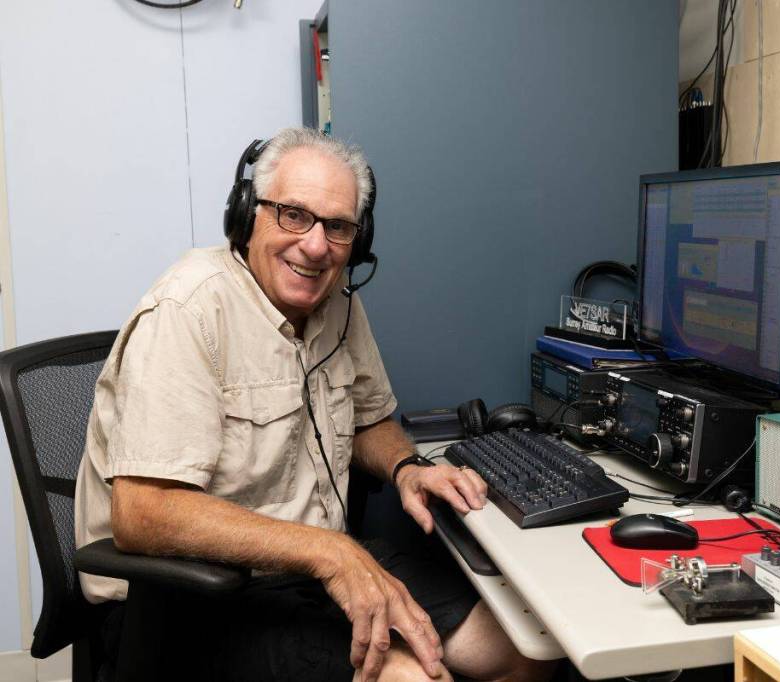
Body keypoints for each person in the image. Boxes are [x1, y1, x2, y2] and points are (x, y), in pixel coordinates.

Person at [74, 127, 554, 682]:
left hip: (312, 569)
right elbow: (143, 513)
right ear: (248, 213)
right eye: (293, 214)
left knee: (524, 652)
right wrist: (329, 553)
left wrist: (406, 468)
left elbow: (368, 417)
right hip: (184, 602)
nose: (316, 245)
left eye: (338, 226)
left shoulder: (340, 306)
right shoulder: (187, 311)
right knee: (417, 678)